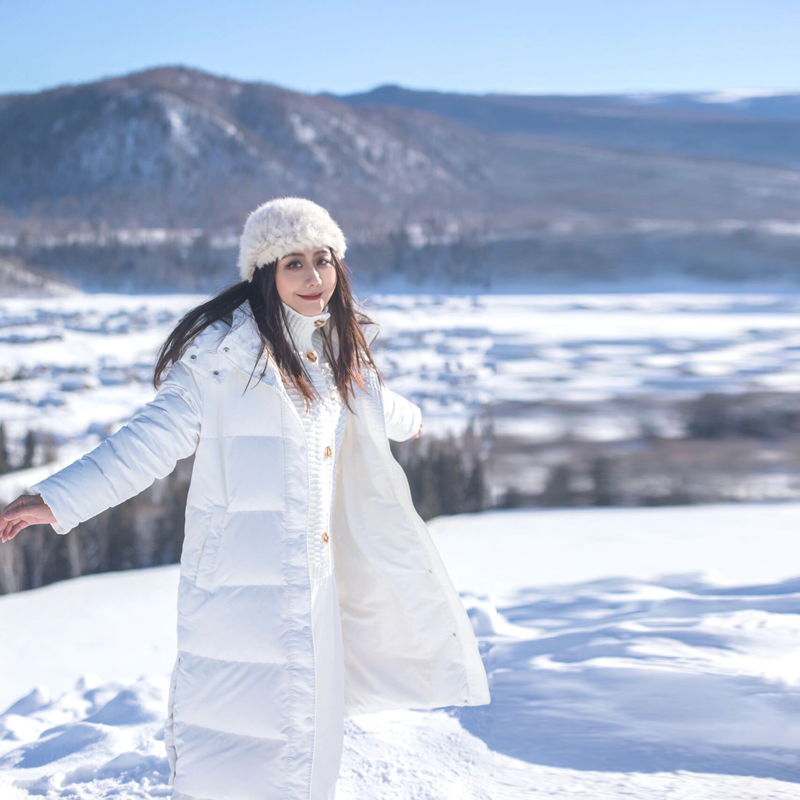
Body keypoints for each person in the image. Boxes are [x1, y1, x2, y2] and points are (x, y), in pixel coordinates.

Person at [0, 197, 491, 800]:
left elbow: (374, 405)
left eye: (323, 260)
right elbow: (145, 444)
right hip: (239, 598)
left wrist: (409, 420)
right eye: (293, 264)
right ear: (264, 273)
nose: (314, 279)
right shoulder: (221, 361)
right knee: (235, 753)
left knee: (311, 753)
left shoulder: (336, 356)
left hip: (314, 597)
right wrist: (50, 500)